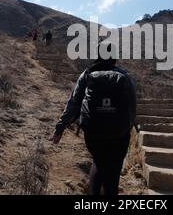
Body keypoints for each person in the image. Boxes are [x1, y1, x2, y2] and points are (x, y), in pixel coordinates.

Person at [50, 43, 136, 195]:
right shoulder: (124, 76)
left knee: (99, 161)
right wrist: (127, 128)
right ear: (114, 57)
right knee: (114, 168)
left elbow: (74, 102)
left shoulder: (87, 74)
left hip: (93, 130)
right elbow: (132, 107)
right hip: (119, 133)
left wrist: (60, 127)